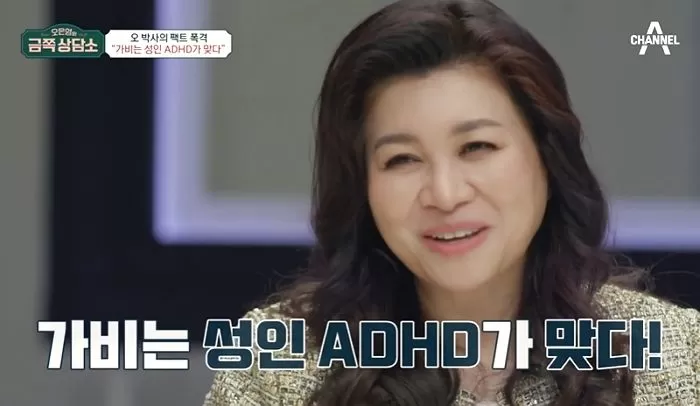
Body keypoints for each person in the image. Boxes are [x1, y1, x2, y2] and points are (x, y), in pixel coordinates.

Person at [203, 0, 699, 404]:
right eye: (402, 159)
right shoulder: (278, 364)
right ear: (361, 186)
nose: (445, 194)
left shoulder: (678, 357)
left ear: (547, 158)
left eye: (476, 147)